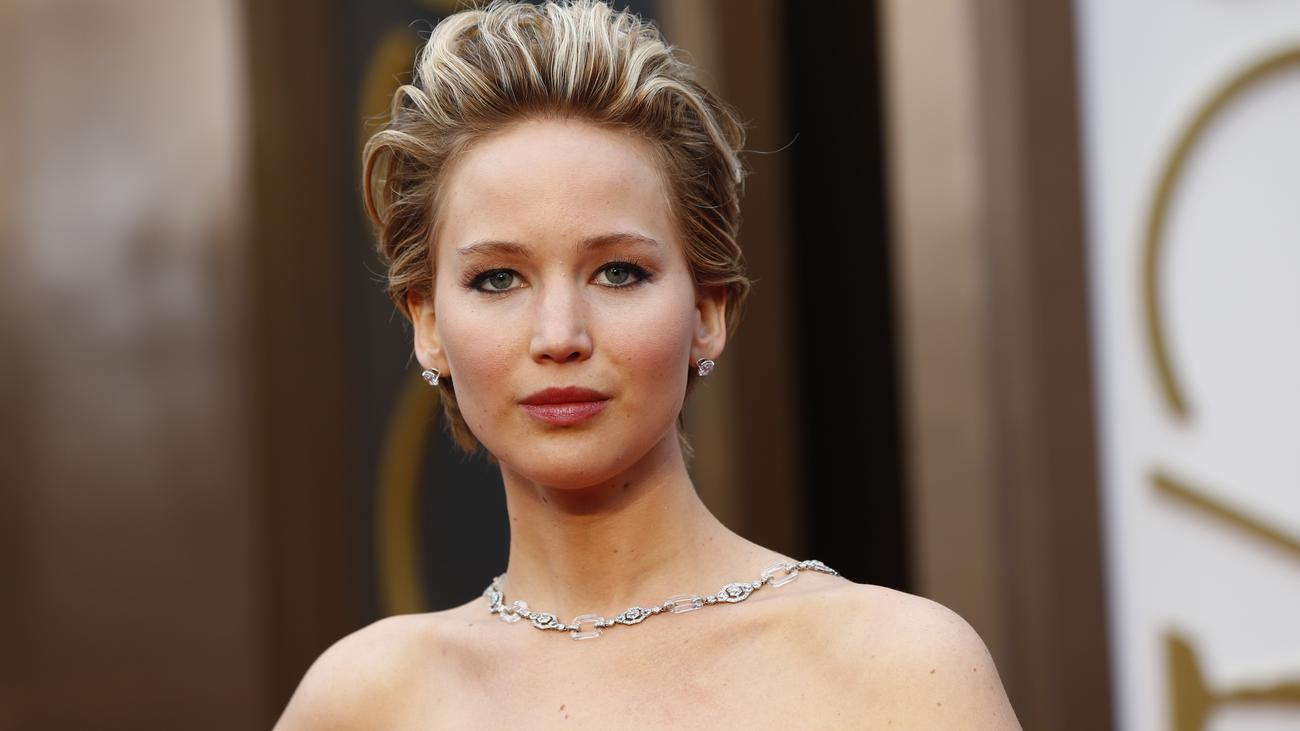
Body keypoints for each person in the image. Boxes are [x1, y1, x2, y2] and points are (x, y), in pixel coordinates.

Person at [275, 1, 1020, 727]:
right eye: (498, 279)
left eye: (618, 272)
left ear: (707, 312)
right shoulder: (367, 699)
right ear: (429, 325)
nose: (560, 335)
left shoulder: (893, 669)